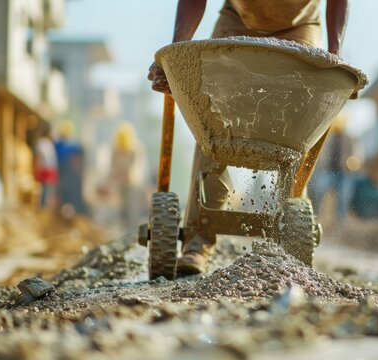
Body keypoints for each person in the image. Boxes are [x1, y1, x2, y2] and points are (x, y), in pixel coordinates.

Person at [149, 0, 351, 275]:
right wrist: (174, 58)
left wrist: (335, 52)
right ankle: (197, 243)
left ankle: (289, 239)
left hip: (299, 26)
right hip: (237, 19)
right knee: (214, 120)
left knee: (295, 126)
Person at [109, 123, 146, 228]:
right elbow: (112, 166)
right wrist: (114, 177)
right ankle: (122, 227)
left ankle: (131, 229)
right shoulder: (115, 149)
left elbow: (137, 168)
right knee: (120, 207)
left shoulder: (136, 149)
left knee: (132, 209)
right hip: (119, 182)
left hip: (133, 184)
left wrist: (128, 174)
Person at [34, 126, 58, 209]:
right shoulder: (43, 143)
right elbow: (39, 157)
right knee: (45, 188)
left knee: (47, 188)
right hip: (45, 169)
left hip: (48, 169)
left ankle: (45, 206)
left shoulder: (47, 143)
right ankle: (43, 205)